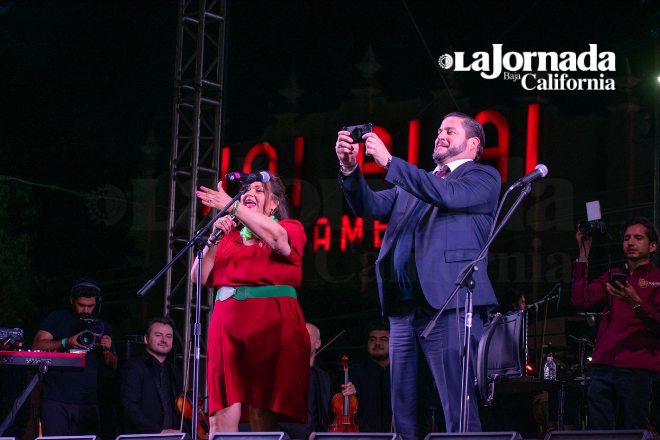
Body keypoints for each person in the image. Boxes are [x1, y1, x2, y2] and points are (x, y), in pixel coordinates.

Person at [335, 112, 501, 438]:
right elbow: (368, 206)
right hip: (402, 306)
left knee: (457, 403)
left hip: (449, 303)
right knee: (403, 409)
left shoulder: (483, 176)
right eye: (439, 130)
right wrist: (350, 169)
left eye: (450, 131)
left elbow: (447, 196)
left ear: (473, 142)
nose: (440, 135)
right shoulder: (416, 181)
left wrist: (389, 162)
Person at [192, 172, 311, 434]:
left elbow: (279, 241)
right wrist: (213, 237)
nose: (248, 193)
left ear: (273, 204)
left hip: (269, 324)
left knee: (261, 408)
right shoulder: (229, 235)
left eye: (259, 189)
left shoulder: (290, 227)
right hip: (225, 327)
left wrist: (232, 205)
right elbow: (197, 276)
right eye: (245, 189)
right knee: (220, 410)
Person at [572, 216, 660, 429]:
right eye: (627, 238)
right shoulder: (612, 276)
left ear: (653, 246)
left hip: (636, 367)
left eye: (638, 238)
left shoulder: (657, 278)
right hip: (603, 366)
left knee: (632, 430)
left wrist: (637, 304)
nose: (630, 242)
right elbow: (580, 300)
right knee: (599, 431)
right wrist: (584, 252)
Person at [32, 278, 116, 436]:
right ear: (72, 300)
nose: (85, 310)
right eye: (81, 305)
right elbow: (37, 345)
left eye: (90, 306)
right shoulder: (57, 318)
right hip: (55, 399)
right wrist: (66, 342)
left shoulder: (103, 326)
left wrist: (106, 349)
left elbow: (113, 365)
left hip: (87, 402)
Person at [120, 317, 188, 434]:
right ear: (146, 339)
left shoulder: (173, 370)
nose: (164, 340)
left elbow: (179, 410)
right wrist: (159, 431)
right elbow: (129, 407)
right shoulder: (134, 366)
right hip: (145, 436)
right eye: (158, 335)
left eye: (168, 336)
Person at [349, 318, 392, 433]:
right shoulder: (355, 372)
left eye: (383, 339)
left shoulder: (401, 374)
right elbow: (351, 412)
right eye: (373, 340)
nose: (377, 343)